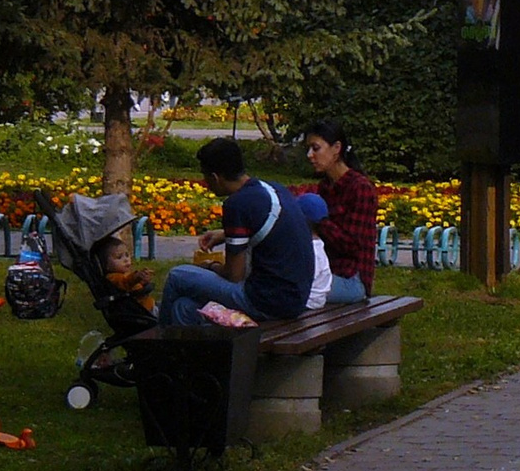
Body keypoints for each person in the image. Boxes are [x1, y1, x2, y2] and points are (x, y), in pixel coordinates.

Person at [158, 136, 318, 327]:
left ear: (215, 177)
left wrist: (210, 266)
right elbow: (266, 227)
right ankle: (181, 349)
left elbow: (234, 275)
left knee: (178, 276)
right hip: (296, 298)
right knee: (183, 308)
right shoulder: (273, 189)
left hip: (266, 301)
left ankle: (158, 344)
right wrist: (223, 234)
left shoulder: (236, 204)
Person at [298, 119, 377, 305]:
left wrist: (320, 221)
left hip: (352, 280)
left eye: (315, 148)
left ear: (336, 148)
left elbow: (353, 246)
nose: (310, 155)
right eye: (308, 149)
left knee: (289, 289)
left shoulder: (360, 188)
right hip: (324, 272)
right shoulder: (325, 186)